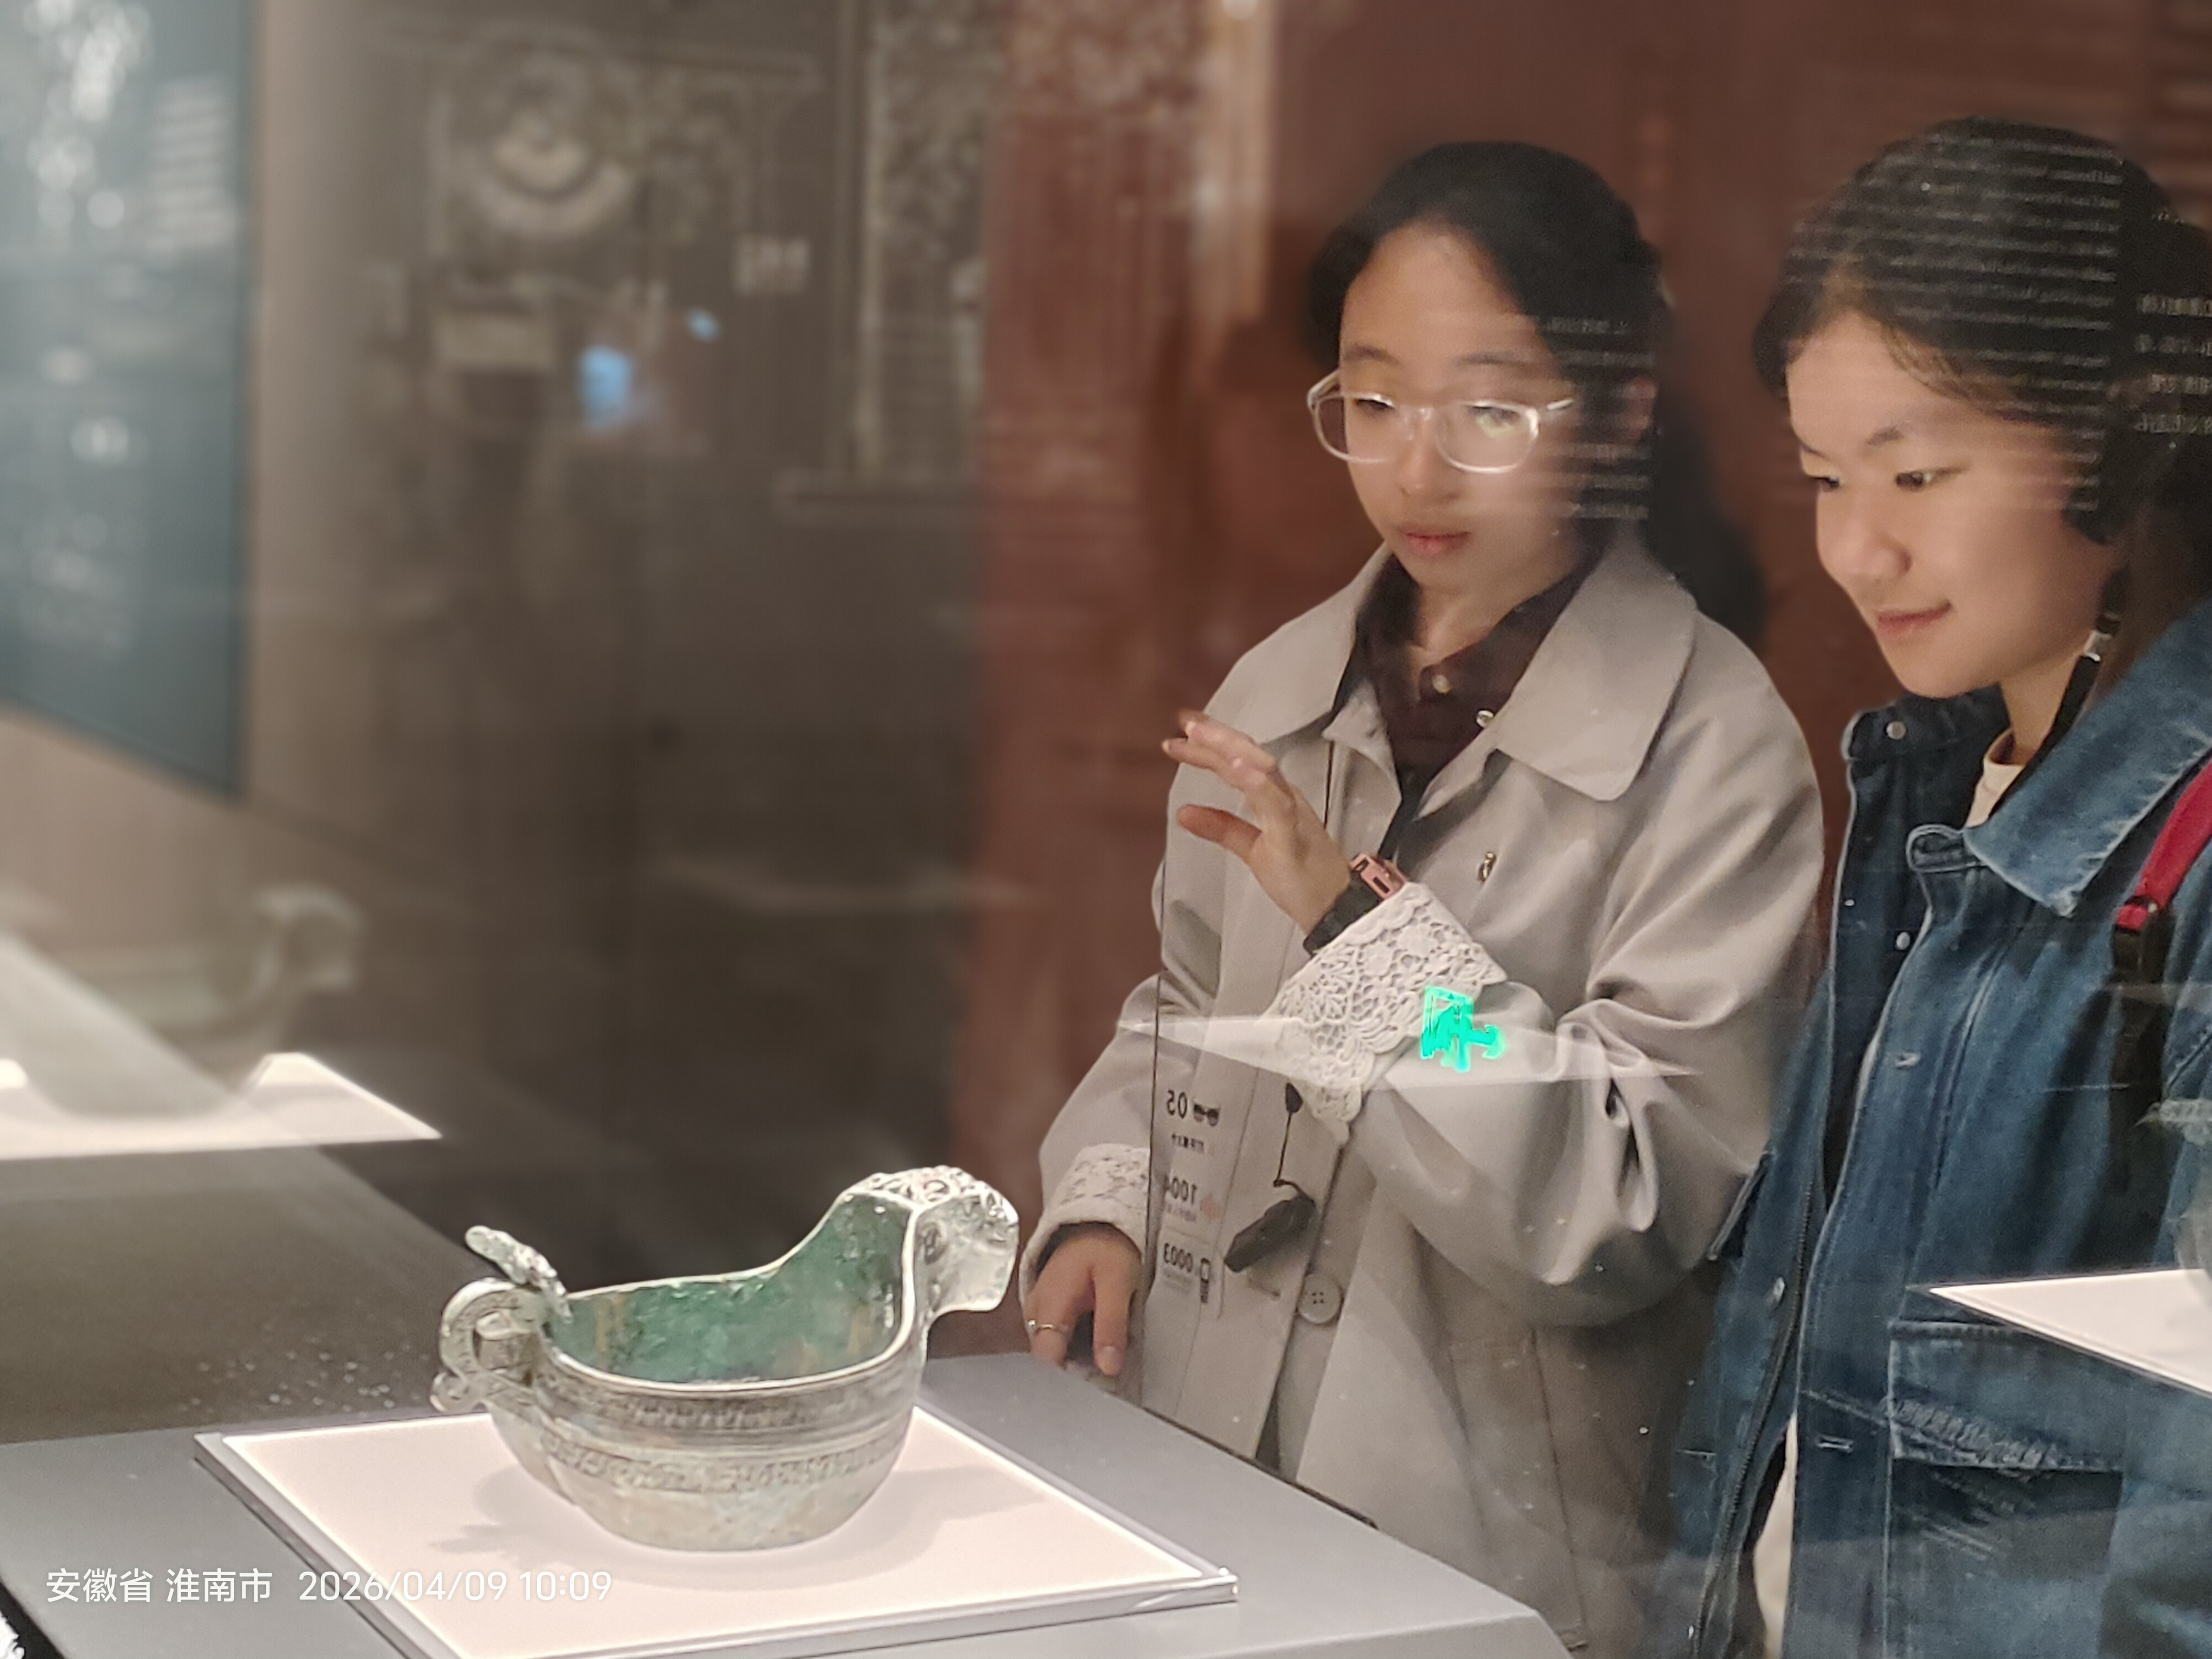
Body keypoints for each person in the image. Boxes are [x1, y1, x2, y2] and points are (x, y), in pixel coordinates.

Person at [1019, 141, 1824, 1659]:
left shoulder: (1713, 745)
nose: (1419, 468)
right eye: (1376, 402)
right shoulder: (1281, 686)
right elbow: (1187, 1004)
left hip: (1488, 1532)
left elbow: (1624, 1185)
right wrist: (1109, 1201)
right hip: (1202, 1454)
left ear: (1621, 412)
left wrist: (1360, 945)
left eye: (1490, 410)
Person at [1648, 117, 2212, 1659]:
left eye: (1916, 473)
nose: (1857, 548)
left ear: (2124, 437)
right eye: (1825, 478)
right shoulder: (1929, 786)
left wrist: (1386, 973)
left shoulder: (1701, 741)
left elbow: (1614, 1166)